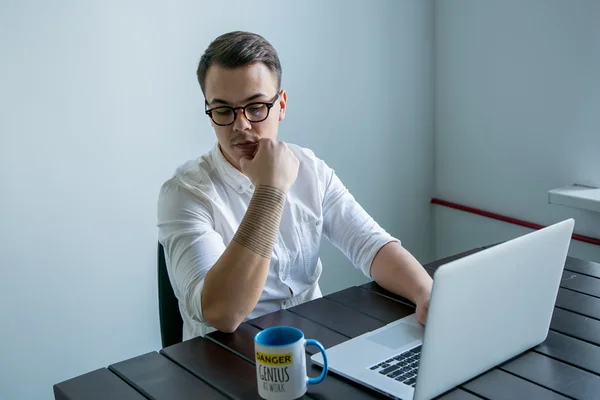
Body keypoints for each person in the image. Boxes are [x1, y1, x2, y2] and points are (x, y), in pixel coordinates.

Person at [157, 31, 433, 340]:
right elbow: (224, 313)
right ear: (209, 113)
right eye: (223, 110)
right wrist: (270, 190)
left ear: (281, 105)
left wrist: (426, 294)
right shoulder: (184, 193)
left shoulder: (309, 168)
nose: (241, 125)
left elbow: (372, 246)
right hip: (224, 362)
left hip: (311, 347)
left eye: (256, 107)